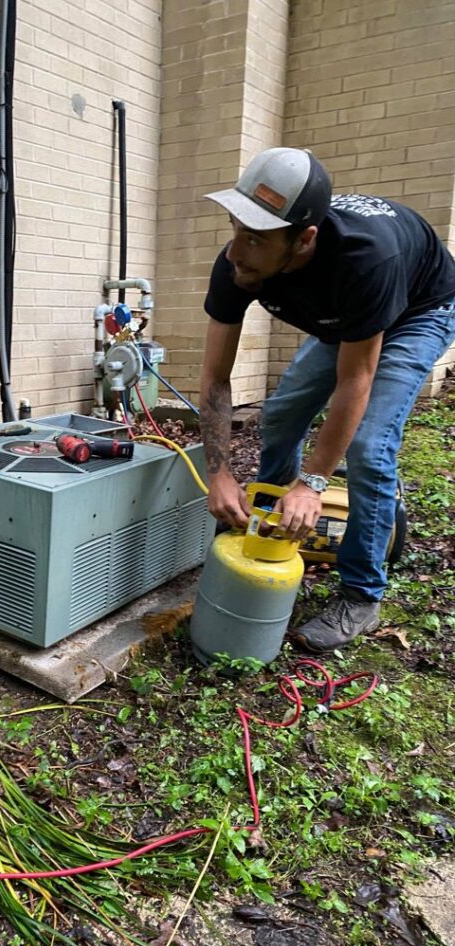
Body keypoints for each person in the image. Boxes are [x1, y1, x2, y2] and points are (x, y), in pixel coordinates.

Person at [199, 147, 455, 651]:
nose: (235, 251)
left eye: (254, 237)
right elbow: (215, 377)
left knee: (367, 444)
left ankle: (361, 593)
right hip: (345, 317)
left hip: (419, 310)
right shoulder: (236, 263)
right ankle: (263, 528)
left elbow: (355, 380)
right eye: (235, 228)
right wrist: (220, 472)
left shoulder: (366, 260)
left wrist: (313, 482)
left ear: (304, 239)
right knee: (285, 410)